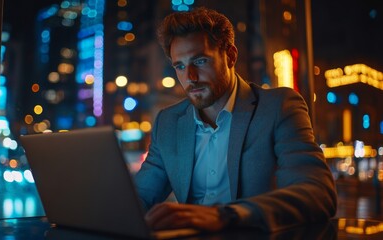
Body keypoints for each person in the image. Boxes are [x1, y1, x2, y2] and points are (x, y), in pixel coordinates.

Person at [134, 7, 337, 232]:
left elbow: (317, 193)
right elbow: (139, 198)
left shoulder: (278, 107)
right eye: (180, 66)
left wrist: (223, 216)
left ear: (230, 56)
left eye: (200, 61)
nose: (190, 77)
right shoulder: (168, 122)